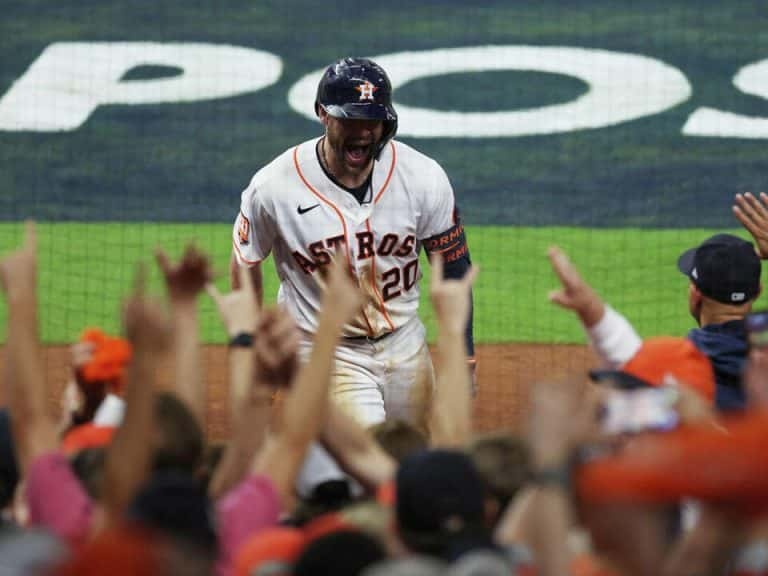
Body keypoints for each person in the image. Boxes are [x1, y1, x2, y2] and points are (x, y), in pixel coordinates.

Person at [230, 57, 475, 426]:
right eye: (351, 120)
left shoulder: (423, 177)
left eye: (372, 120)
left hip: (405, 341)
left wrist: (465, 357)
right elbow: (246, 263)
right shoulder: (274, 188)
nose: (363, 132)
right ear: (322, 114)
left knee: (412, 454)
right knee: (363, 450)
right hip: (323, 348)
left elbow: (454, 268)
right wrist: (252, 347)